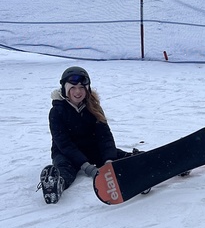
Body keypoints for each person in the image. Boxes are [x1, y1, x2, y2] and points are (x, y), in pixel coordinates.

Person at [37, 67, 134, 203]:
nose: (78, 92)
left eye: (82, 87)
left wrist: (109, 160)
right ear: (65, 89)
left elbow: (104, 137)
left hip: (92, 150)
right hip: (66, 153)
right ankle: (55, 184)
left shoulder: (93, 107)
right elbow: (63, 143)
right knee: (65, 169)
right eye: (73, 87)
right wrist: (87, 167)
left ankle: (144, 162)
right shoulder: (57, 112)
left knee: (119, 157)